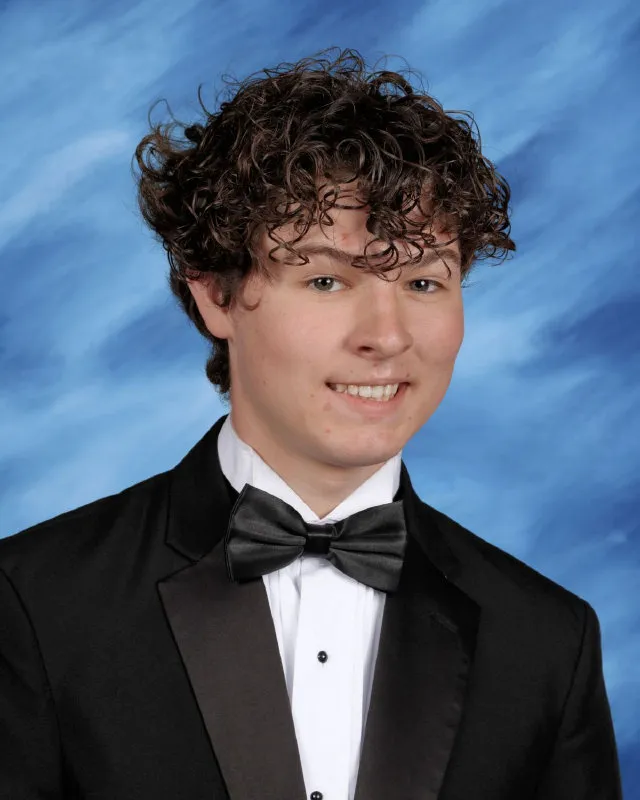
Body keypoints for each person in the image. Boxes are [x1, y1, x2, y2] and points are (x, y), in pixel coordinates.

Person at [0, 48, 622, 800]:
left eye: (424, 281)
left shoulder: (549, 641)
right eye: (327, 279)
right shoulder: (33, 602)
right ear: (215, 295)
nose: (386, 336)